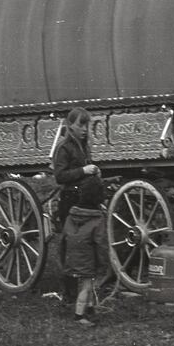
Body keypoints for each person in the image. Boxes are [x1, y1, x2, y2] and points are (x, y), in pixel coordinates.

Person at [53, 107, 107, 325]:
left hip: (83, 199)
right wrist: (84, 172)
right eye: (81, 125)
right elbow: (59, 176)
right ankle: (69, 294)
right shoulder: (64, 147)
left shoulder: (83, 145)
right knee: (71, 246)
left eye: (87, 125)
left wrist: (94, 172)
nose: (85, 129)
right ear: (70, 126)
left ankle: (82, 298)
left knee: (85, 246)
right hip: (70, 200)